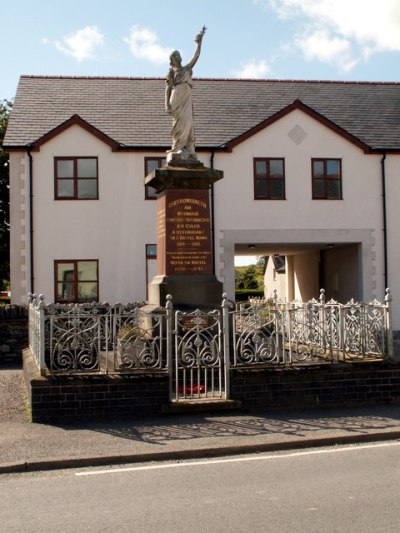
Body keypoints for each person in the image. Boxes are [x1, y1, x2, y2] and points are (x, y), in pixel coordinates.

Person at [165, 27, 206, 160]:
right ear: (173, 59)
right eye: (175, 55)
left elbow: (197, 56)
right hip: (176, 98)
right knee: (179, 123)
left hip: (186, 98)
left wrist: (199, 43)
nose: (178, 56)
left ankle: (186, 148)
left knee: (188, 121)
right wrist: (166, 104)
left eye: (178, 54)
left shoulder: (187, 68)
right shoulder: (172, 72)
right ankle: (177, 148)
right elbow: (168, 88)